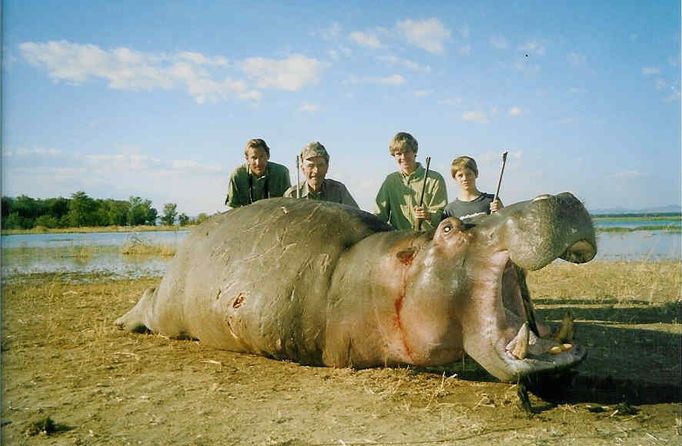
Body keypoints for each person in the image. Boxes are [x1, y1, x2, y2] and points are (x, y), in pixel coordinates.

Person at [375, 132, 447, 231]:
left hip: (428, 240)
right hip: (398, 241)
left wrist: (429, 215)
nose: (403, 157)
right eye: (399, 154)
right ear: (394, 156)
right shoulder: (390, 181)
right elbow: (379, 216)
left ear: (414, 152)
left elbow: (443, 217)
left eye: (407, 152)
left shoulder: (435, 179)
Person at [284, 141, 359, 208]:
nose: (316, 171)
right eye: (311, 166)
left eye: (320, 165)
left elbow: (356, 218)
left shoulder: (338, 191)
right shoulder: (292, 195)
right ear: (303, 169)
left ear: (327, 167)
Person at [225, 138, 291, 208]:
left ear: (268, 155)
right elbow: (233, 208)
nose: (258, 162)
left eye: (261, 156)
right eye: (254, 158)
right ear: (247, 159)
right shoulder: (237, 175)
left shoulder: (281, 173)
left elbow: (288, 203)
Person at [442, 156, 503, 221]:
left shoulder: (492, 200)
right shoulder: (450, 210)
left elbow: (504, 224)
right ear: (454, 178)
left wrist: (502, 211)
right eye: (460, 175)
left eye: (468, 174)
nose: (465, 178)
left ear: (476, 174)